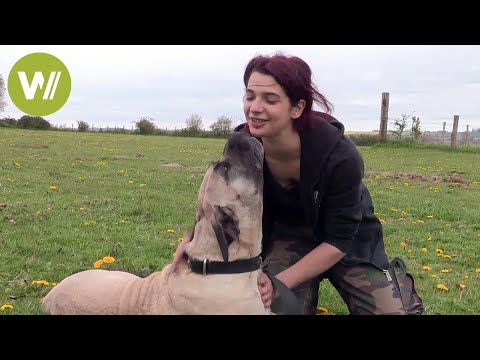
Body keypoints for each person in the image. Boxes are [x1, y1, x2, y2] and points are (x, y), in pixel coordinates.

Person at [173, 52, 424, 315]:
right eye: (250, 96)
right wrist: (189, 240)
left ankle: (394, 286)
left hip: (348, 242)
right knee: (269, 307)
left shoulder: (339, 155)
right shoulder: (244, 145)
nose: (255, 108)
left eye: (270, 99)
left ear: (297, 108)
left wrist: (278, 281)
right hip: (287, 237)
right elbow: (219, 197)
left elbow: (339, 241)